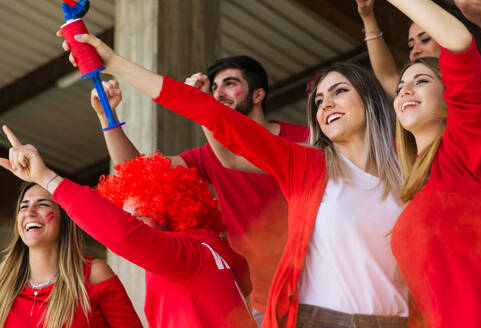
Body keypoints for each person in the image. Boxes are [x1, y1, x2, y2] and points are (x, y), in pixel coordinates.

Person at [59, 31, 416, 327]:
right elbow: (199, 130)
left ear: (371, 101)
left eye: (339, 92)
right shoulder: (306, 164)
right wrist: (114, 64)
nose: (325, 105)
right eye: (318, 100)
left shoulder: (412, 169)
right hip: (304, 315)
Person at [86, 55, 309, 325]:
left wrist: (202, 107)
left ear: (259, 94)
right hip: (257, 300)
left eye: (230, 84)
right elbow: (139, 173)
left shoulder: (303, 140)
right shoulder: (209, 155)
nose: (218, 93)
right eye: (214, 88)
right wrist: (107, 116)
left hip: (313, 286)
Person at [0, 132, 256, 328]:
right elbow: (137, 173)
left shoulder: (188, 255)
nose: (131, 219)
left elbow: (124, 234)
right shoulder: (207, 253)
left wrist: (46, 177)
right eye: (127, 213)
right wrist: (108, 120)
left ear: (172, 207)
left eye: (141, 214)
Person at [387, 0, 481, 327]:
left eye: (420, 81)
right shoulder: (416, 185)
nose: (405, 92)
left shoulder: (466, 143)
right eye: (400, 87)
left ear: (449, 93)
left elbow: (459, 43)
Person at [0, 182, 142, 328]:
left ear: (64, 219)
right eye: (24, 206)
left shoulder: (94, 275)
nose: (30, 212)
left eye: (43, 204)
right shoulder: (2, 280)